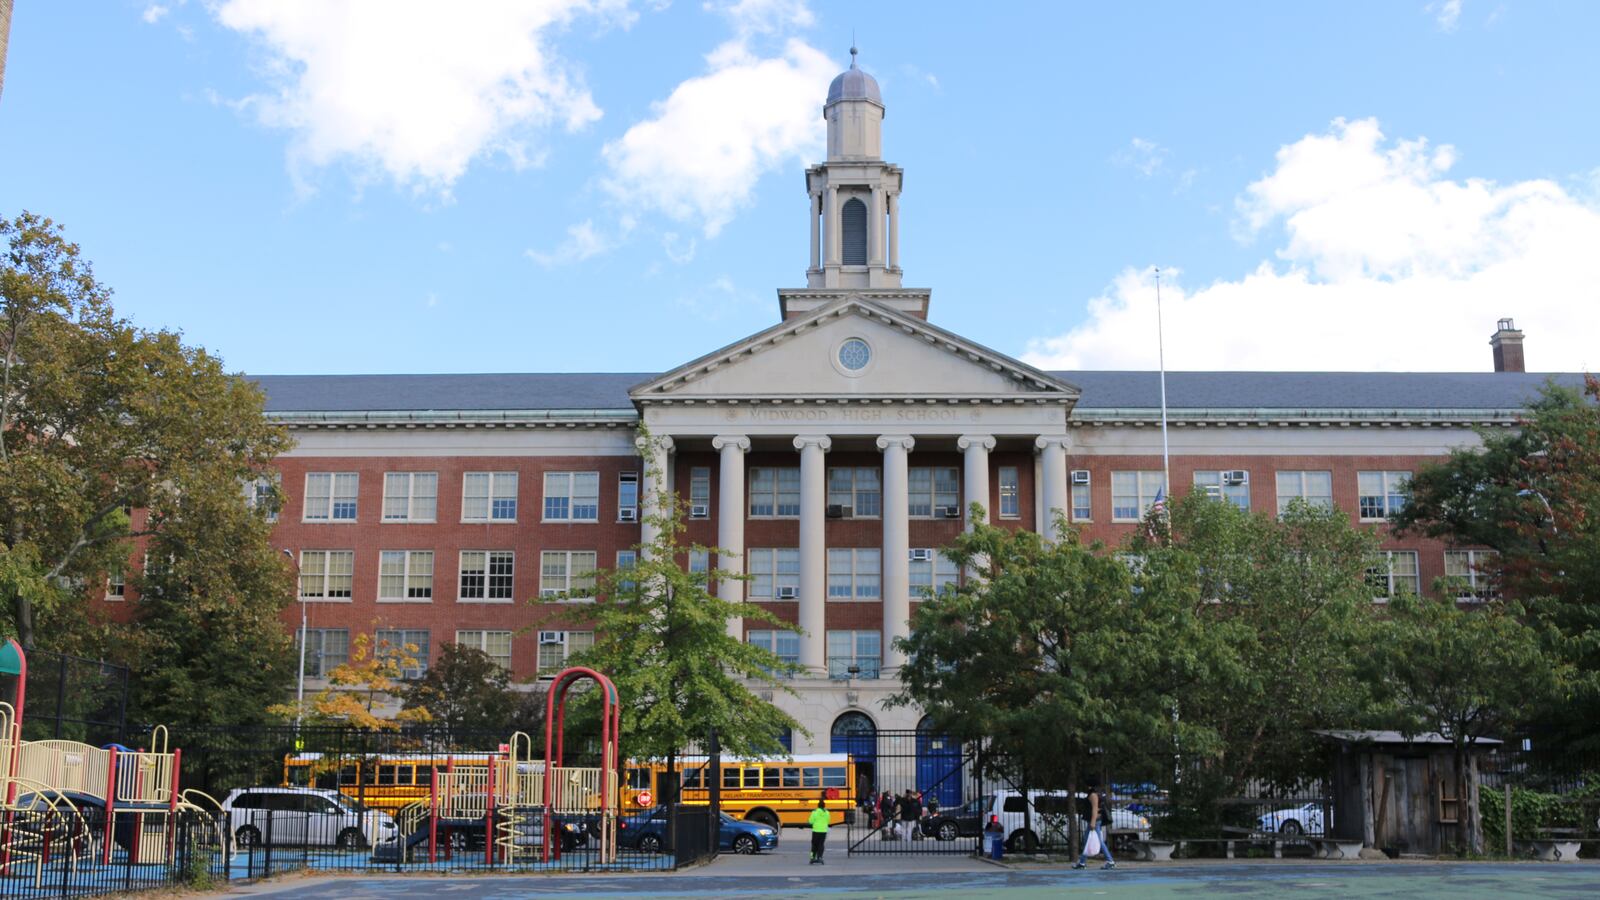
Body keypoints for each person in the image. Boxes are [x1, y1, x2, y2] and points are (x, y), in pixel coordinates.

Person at [1072, 785, 1115, 870]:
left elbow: (1095, 809)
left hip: (1094, 821)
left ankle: (1110, 861)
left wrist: (1093, 822)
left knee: (1099, 841)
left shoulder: (1093, 795)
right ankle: (1082, 863)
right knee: (1086, 840)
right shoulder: (1094, 794)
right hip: (1094, 820)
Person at [808, 796, 831, 864]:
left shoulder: (814, 812)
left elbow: (810, 821)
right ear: (824, 806)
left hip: (816, 831)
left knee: (814, 845)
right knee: (821, 844)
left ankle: (812, 857)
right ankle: (820, 857)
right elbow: (828, 822)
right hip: (823, 831)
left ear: (818, 806)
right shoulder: (827, 812)